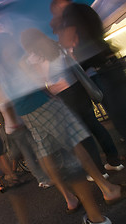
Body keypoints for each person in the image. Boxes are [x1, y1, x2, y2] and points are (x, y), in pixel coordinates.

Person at [20, 28, 123, 177]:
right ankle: (114, 161)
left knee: (83, 134)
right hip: (78, 87)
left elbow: (40, 81)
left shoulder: (33, 57)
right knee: (94, 124)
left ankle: (99, 171)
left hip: (63, 96)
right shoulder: (56, 45)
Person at [51, 0, 126, 163]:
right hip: (111, 62)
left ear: (59, 6)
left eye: (54, 11)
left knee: (119, 116)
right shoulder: (86, 8)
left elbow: (66, 40)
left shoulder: (70, 11)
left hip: (101, 71)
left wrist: (61, 30)